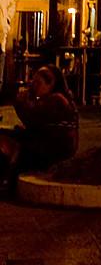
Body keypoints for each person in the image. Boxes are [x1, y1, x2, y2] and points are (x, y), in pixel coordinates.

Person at [0, 62, 79, 191]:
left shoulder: (57, 100)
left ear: (51, 84)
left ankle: (10, 181)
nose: (33, 86)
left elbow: (31, 118)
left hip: (53, 149)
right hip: (47, 141)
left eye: (38, 83)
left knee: (11, 143)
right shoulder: (55, 98)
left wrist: (21, 101)